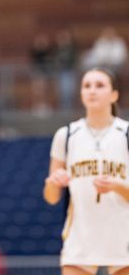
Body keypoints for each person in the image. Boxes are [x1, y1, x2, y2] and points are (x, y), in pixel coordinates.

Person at [43, 68, 129, 274]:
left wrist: (116, 186)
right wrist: (53, 183)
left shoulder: (126, 133)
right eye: (87, 86)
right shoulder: (67, 135)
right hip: (80, 238)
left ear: (114, 94)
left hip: (122, 236)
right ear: (81, 94)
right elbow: (51, 198)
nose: (92, 91)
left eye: (100, 85)